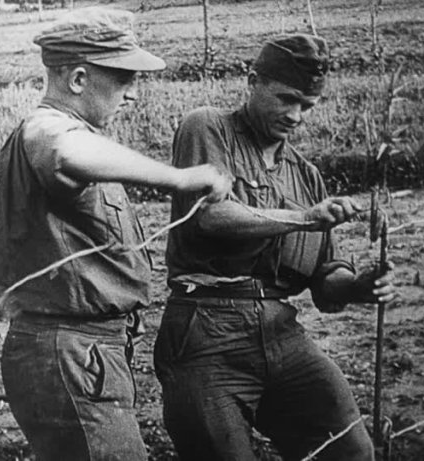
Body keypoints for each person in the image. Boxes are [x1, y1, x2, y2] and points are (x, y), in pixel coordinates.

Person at [0, 8, 232, 461]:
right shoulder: (49, 128)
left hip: (84, 351)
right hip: (70, 351)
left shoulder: (80, 134)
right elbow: (62, 150)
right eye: (123, 79)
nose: (133, 95)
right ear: (78, 79)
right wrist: (178, 178)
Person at [154, 34, 398, 460]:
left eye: (307, 106)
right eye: (286, 99)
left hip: (282, 333)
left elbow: (325, 280)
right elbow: (211, 216)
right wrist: (304, 218)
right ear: (253, 81)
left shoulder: (306, 176)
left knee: (351, 451)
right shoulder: (208, 128)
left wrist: (360, 285)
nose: (296, 116)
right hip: (206, 331)